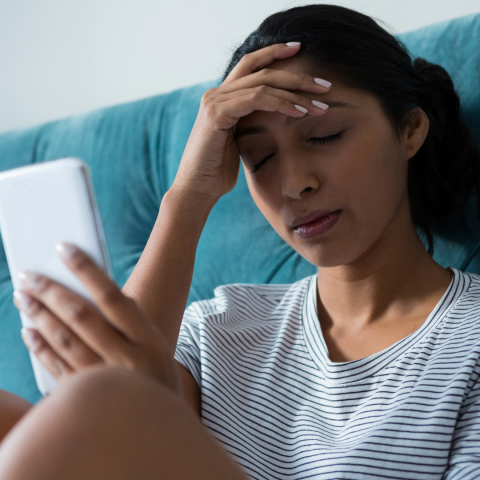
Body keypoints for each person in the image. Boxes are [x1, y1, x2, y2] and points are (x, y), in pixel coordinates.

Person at [0, 4, 479, 479]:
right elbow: (105, 416)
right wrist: (187, 196)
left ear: (410, 129)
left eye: (324, 136)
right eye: (260, 157)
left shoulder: (469, 343)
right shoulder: (218, 329)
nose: (293, 184)